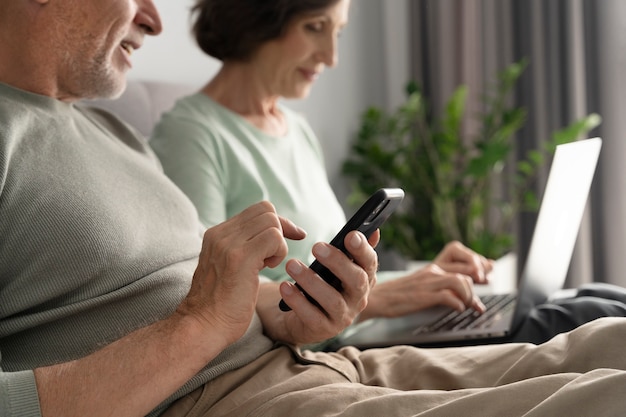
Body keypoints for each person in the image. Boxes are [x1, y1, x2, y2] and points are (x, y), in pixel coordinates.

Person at [1, 1, 626, 417]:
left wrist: (298, 311)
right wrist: (195, 327)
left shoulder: (116, 133)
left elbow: (218, 296)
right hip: (224, 400)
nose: (154, 19)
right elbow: (197, 315)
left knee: (608, 333)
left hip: (322, 360)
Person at [150, 0, 626, 345]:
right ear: (252, 18)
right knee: (590, 314)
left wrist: (420, 279)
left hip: (368, 323)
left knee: (598, 293)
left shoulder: (294, 129)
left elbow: (330, 261)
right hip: (340, 342)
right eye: (315, 27)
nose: (332, 57)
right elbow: (204, 295)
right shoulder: (192, 134)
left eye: (337, 31)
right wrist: (387, 297)